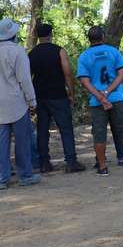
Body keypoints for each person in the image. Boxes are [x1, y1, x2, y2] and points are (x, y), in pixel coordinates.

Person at [0, 18, 41, 190]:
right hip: (15, 102)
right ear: (13, 34)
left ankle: (1, 178)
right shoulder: (17, 51)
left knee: (0, 143)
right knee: (22, 140)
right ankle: (25, 175)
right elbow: (24, 79)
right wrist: (32, 100)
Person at [77, 25, 123, 177]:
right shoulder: (114, 52)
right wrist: (108, 92)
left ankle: (102, 167)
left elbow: (85, 81)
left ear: (89, 39)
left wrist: (100, 97)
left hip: (97, 102)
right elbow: (121, 74)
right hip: (117, 98)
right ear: (103, 36)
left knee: (99, 134)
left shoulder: (84, 56)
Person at [28, 23, 85, 174]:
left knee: (42, 130)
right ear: (50, 34)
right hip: (58, 95)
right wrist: (71, 92)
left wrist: (29, 98)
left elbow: (28, 77)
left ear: (38, 36)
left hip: (39, 96)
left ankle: (44, 163)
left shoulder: (32, 54)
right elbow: (67, 73)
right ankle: (71, 161)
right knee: (66, 128)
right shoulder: (59, 51)